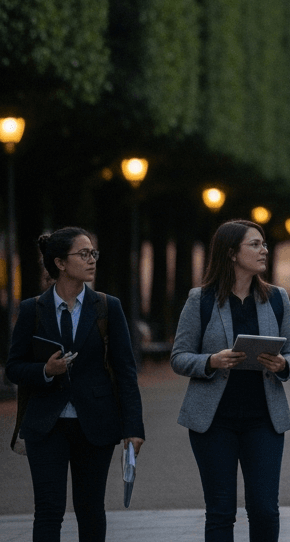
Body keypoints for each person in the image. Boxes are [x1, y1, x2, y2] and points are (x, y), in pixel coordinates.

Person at [7, 227, 145, 542]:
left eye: (93, 253)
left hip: (95, 423)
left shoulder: (108, 307)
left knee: (90, 507)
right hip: (45, 425)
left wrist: (133, 428)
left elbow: (125, 370)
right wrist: (44, 369)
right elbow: (13, 368)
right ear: (59, 262)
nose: (91, 259)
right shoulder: (32, 309)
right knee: (48, 508)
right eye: (83, 254)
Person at [171, 220, 290, 542]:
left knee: (265, 509)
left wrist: (283, 363)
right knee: (220, 510)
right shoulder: (200, 299)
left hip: (264, 420)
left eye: (264, 244)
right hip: (214, 421)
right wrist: (211, 361)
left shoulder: (276, 298)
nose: (264, 251)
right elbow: (179, 356)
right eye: (255, 245)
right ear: (231, 253)